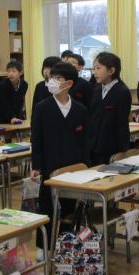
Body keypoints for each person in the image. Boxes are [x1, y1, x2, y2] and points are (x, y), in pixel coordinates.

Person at [30, 61, 89, 252]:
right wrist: (36, 166)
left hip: (73, 167)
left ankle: (65, 246)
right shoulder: (42, 107)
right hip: (49, 165)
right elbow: (36, 139)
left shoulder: (80, 109)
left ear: (69, 83)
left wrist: (85, 165)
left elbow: (85, 141)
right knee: (46, 208)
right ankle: (43, 247)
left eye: (57, 78)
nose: (51, 82)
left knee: (70, 209)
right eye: (51, 78)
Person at [88, 52, 131, 165]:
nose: (95, 72)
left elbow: (121, 122)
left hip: (112, 147)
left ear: (111, 71)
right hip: (94, 146)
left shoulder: (122, 91)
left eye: (98, 68)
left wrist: (122, 149)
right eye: (94, 68)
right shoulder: (96, 90)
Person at [0, 60, 29, 124]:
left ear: (20, 72)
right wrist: (11, 117)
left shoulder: (24, 85)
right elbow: (3, 104)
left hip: (16, 117)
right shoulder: (2, 85)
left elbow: (20, 102)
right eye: (9, 71)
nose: (11, 74)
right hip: (2, 118)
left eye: (13, 71)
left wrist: (18, 117)